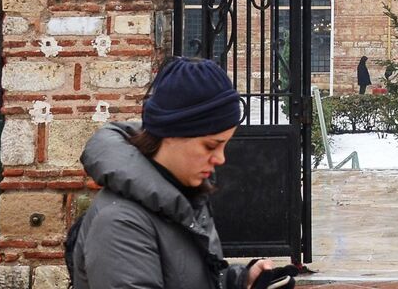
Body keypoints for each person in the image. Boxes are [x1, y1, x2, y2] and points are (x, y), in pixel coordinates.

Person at [68, 56, 289, 289]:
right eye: (211, 146)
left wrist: (240, 281)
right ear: (171, 134)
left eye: (225, 145)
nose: (221, 159)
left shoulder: (183, 195)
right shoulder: (120, 225)